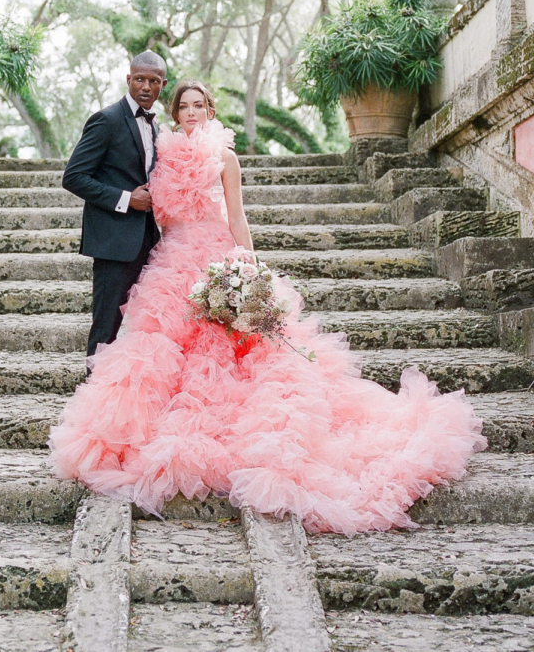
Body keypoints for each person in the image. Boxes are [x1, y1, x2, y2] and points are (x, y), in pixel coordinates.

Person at [49, 79, 487, 535]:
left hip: (216, 253)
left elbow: (236, 215)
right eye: (185, 105)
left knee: (233, 347)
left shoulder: (226, 157)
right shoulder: (160, 154)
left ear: (211, 109)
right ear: (175, 112)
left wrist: (250, 266)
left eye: (200, 104)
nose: (193, 112)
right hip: (171, 261)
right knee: (160, 348)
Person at [62, 51, 167, 368]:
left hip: (149, 241)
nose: (145, 86)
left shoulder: (157, 128)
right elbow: (74, 177)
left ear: (162, 84)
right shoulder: (106, 120)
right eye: (139, 79)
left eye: (153, 81)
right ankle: (90, 402)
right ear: (128, 79)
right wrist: (126, 198)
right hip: (113, 243)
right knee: (105, 328)